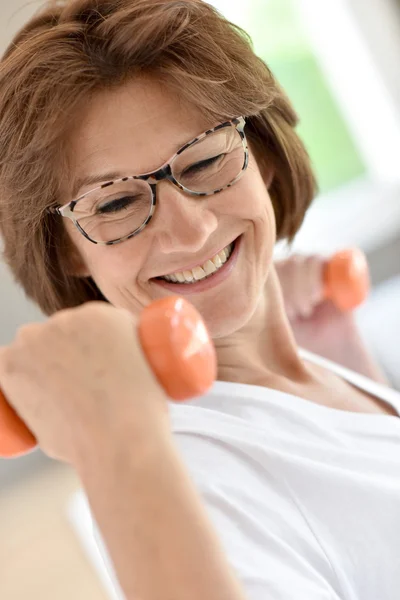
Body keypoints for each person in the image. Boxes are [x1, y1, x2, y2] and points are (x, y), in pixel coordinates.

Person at [0, 1, 399, 599]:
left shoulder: (321, 373)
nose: (191, 233)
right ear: (68, 253)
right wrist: (115, 441)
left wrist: (340, 372)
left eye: (208, 159)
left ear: (259, 157)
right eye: (113, 203)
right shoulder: (190, 480)